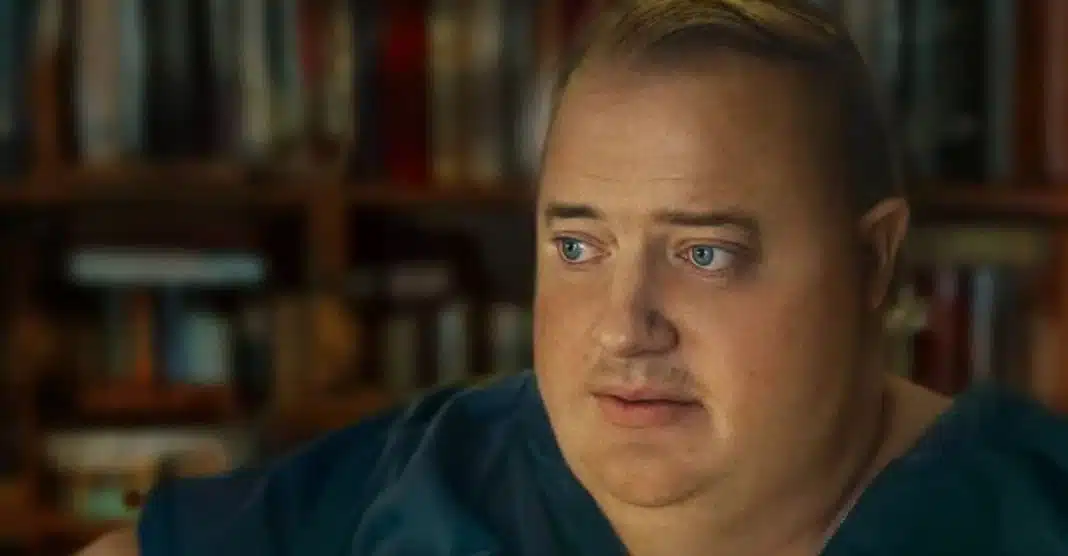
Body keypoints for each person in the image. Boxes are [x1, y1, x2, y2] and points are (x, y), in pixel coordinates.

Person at [80, 1, 1068, 555]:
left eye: (704, 253)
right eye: (579, 249)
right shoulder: (450, 464)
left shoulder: (1026, 509)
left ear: (873, 261)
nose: (623, 326)